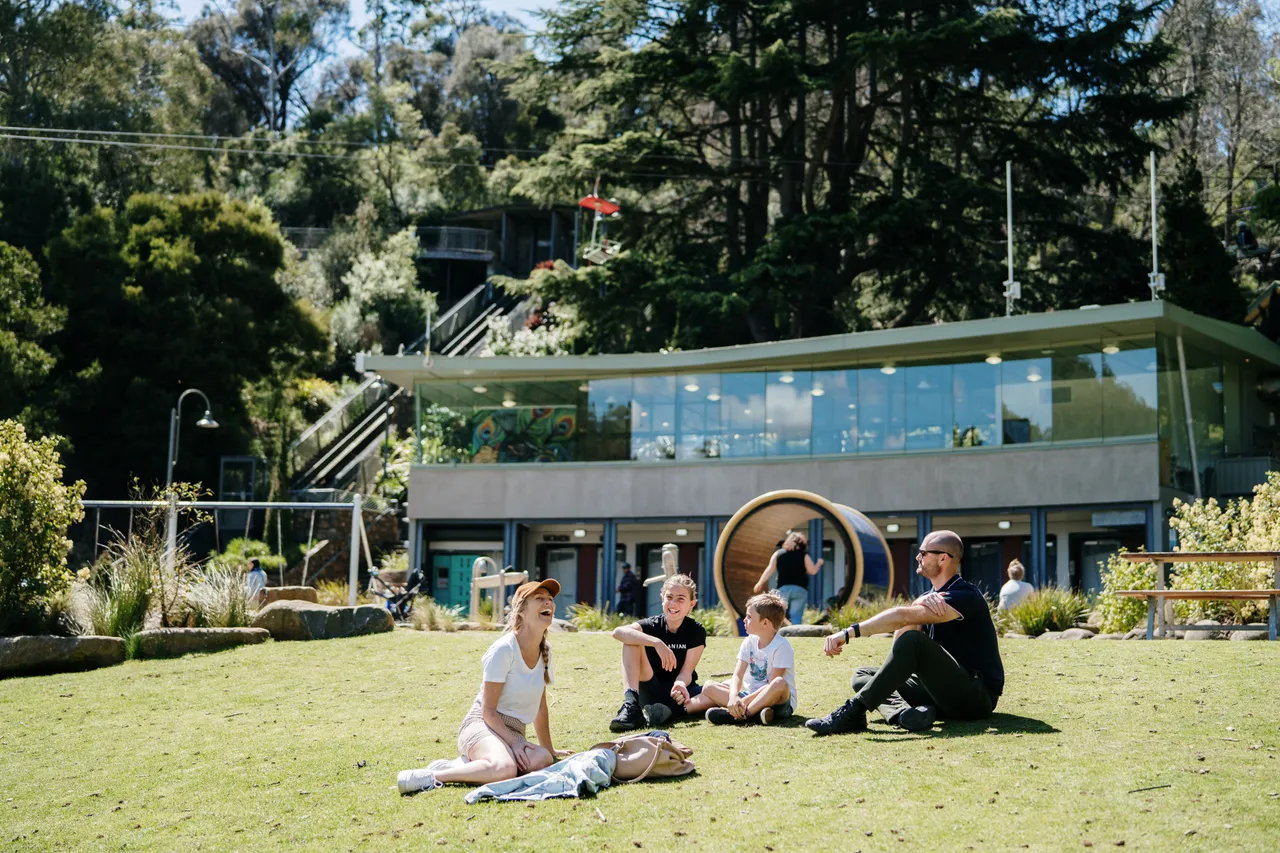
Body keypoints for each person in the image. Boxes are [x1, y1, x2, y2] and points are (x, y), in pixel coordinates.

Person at [806, 531, 1004, 736]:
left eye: (923, 553)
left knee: (914, 641)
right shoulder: (929, 598)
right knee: (863, 675)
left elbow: (903, 621)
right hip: (939, 690)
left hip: (975, 696)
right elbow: (899, 648)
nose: (918, 557)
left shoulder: (965, 595)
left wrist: (848, 633)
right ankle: (904, 714)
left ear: (943, 558)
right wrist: (918, 604)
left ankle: (853, 712)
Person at [397, 579, 571, 794]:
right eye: (540, 599)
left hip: (513, 731)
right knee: (505, 769)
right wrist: (516, 744)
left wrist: (549, 749)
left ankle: (458, 765)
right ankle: (430, 776)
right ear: (522, 611)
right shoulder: (504, 649)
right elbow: (488, 711)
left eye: (550, 599)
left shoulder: (546, 651)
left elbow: (540, 706)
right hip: (483, 724)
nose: (548, 603)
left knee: (542, 759)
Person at [608, 573, 706, 731]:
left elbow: (687, 672)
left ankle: (673, 711)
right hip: (651, 689)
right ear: (662, 599)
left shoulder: (696, 630)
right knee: (632, 641)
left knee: (713, 689)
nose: (673, 603)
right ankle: (631, 706)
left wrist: (679, 684)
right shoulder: (652, 625)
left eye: (680, 598)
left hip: (679, 692)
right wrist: (656, 643)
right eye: (669, 597)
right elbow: (618, 632)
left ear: (691, 604)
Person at [689, 591, 797, 726]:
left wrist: (744, 702)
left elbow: (772, 685)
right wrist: (734, 696)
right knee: (708, 687)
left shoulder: (782, 646)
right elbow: (738, 675)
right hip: (749, 696)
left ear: (765, 623)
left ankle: (740, 716)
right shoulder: (749, 641)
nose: (744, 620)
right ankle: (756, 715)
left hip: (777, 702)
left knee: (779, 683)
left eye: (749, 616)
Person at [754, 530, 823, 626]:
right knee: (796, 615)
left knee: (778, 614)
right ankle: (795, 634)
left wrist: (760, 582)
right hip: (800, 589)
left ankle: (779, 633)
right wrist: (819, 563)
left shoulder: (778, 554)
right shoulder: (804, 555)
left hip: (783, 589)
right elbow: (812, 571)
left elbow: (770, 569)